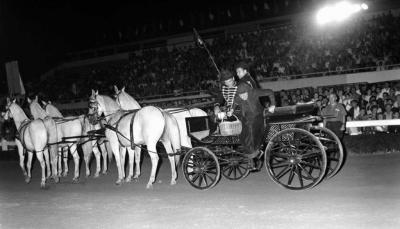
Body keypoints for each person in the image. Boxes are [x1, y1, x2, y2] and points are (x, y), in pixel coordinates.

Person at [229, 82, 276, 161]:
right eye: (241, 95)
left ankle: (255, 151)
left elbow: (270, 92)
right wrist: (231, 110)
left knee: (251, 129)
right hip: (246, 117)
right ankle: (252, 153)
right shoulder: (238, 97)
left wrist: (273, 105)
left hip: (258, 115)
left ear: (248, 91)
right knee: (242, 133)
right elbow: (235, 102)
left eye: (244, 94)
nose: (243, 96)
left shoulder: (254, 92)